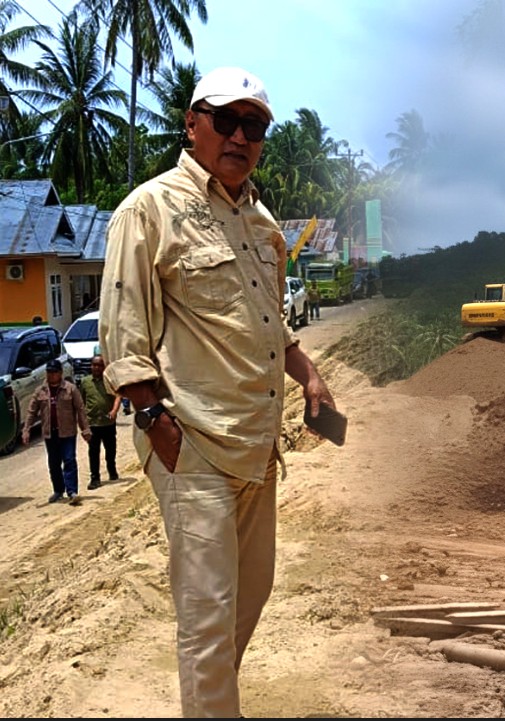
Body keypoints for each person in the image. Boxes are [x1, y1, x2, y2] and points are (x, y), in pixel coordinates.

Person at [99, 65, 336, 718]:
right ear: (192, 124)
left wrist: (309, 374)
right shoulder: (148, 210)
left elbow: (270, 323)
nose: (239, 135)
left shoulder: (260, 222)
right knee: (207, 620)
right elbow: (123, 333)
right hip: (193, 445)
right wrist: (155, 422)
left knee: (249, 597)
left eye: (253, 125)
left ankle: (209, 703)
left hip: (257, 449)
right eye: (226, 120)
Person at [21, 359, 91, 505]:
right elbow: (31, 411)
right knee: (54, 463)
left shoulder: (70, 389)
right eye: (49, 372)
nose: (51, 375)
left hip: (67, 432)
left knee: (69, 460)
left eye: (54, 372)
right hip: (49, 433)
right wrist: (26, 429)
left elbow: (80, 410)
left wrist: (85, 429)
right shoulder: (40, 391)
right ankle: (58, 491)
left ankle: (72, 491)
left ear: (60, 373)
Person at [79, 354, 121, 488]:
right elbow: (81, 401)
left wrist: (114, 411)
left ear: (104, 367)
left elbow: (118, 396)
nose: (96, 367)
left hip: (108, 422)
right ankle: (95, 478)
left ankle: (112, 469)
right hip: (92, 423)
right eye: (94, 365)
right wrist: (83, 422)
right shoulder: (85, 382)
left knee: (110, 449)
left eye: (99, 365)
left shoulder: (109, 381)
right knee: (93, 451)